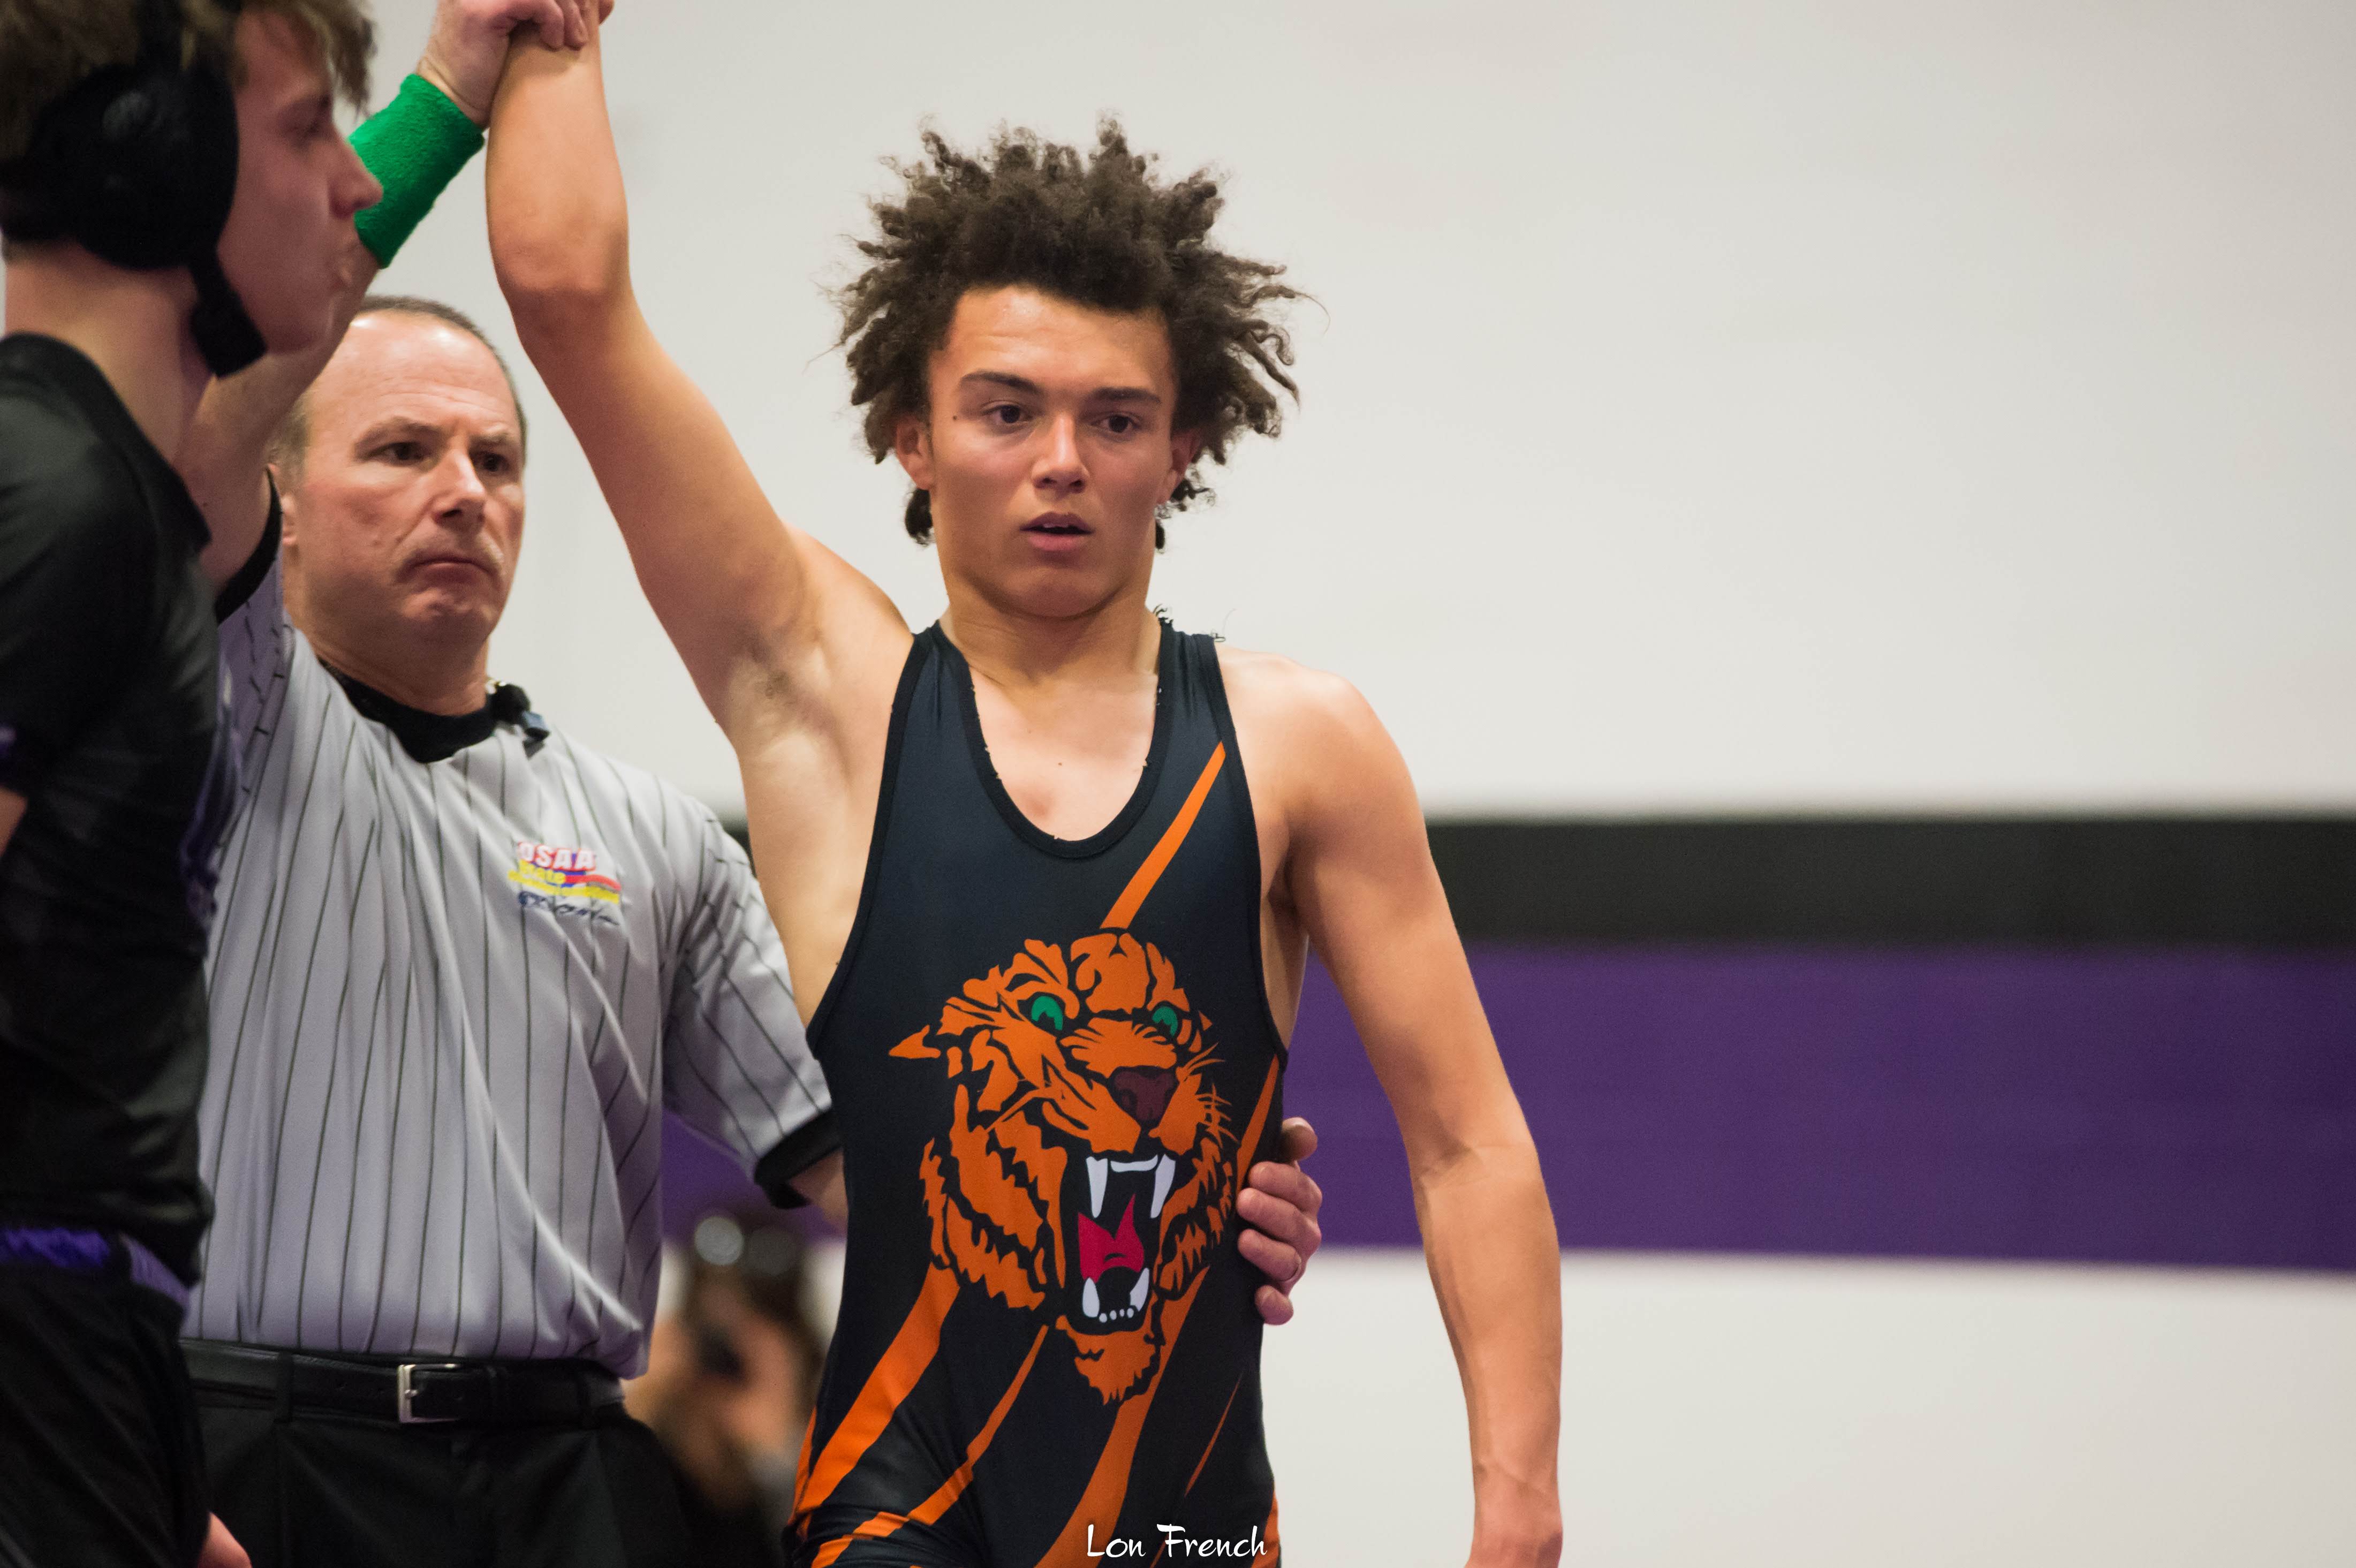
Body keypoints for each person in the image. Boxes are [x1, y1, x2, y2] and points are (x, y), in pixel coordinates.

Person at [490, 13, 1557, 1568]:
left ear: (1183, 446)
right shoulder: (828, 692)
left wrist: (1517, 1512)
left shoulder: (1300, 744)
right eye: (1006, 411)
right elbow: (571, 304)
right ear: (911, 435)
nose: (1062, 459)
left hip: (1182, 1530)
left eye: (1115, 418)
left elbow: (1469, 1142)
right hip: (896, 1511)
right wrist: (547, 34)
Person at [0, 2, 377, 1565]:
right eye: (305, 129)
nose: (353, 180)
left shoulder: (110, 494)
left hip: (94, 1345)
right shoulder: (55, 494)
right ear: (154, 159)